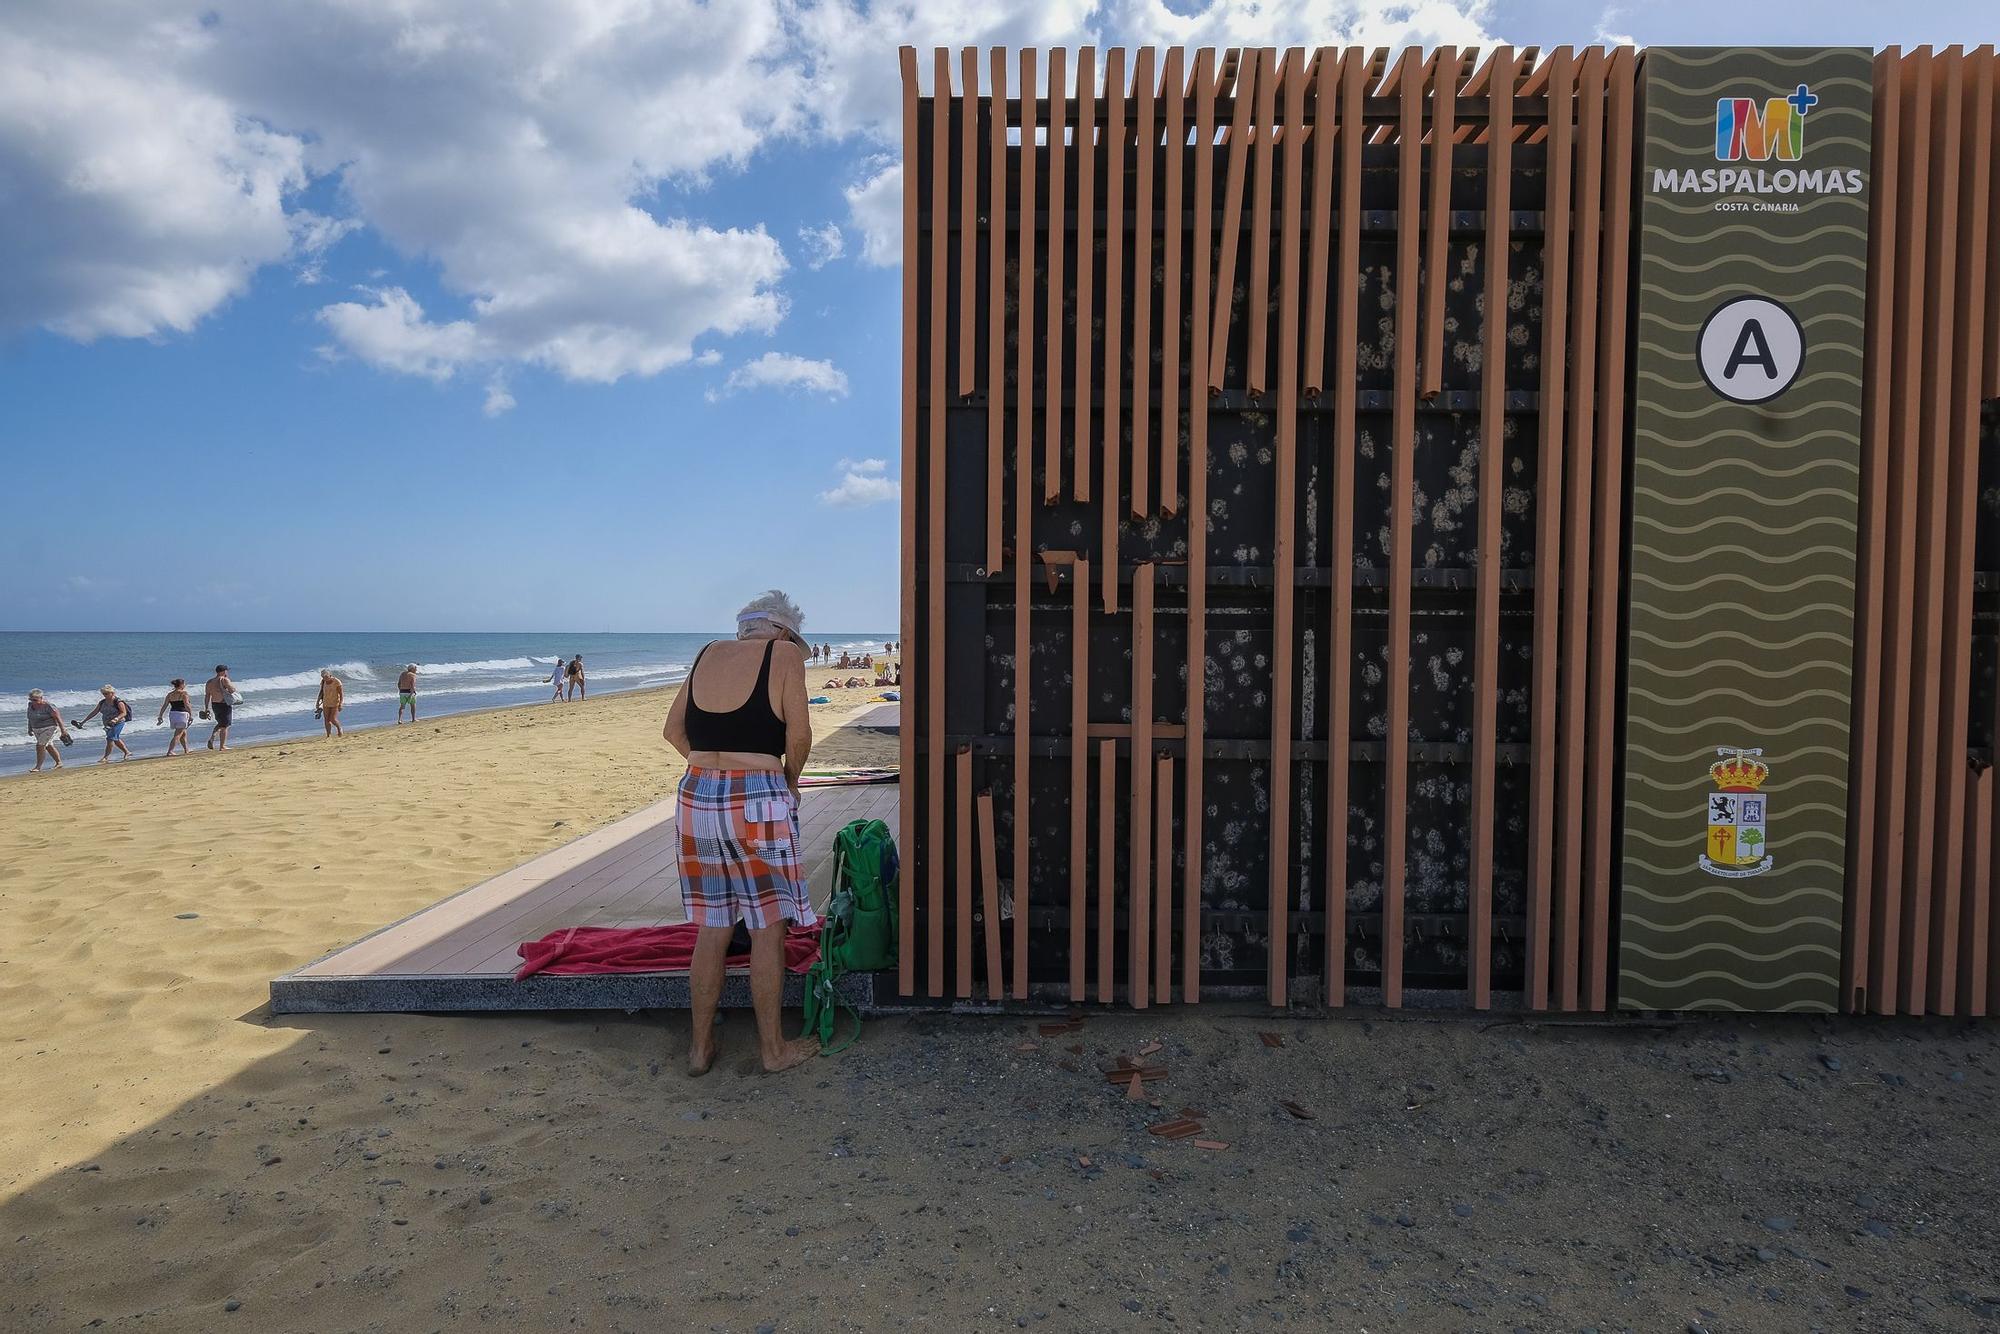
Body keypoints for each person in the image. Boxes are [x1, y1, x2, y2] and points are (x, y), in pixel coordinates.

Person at [663, 589, 819, 1076]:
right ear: (781, 630)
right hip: (757, 796)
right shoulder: (784, 655)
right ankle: (773, 1051)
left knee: (713, 925)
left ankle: (700, 1049)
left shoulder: (708, 652)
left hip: (696, 795)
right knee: (767, 926)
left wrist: (714, 767)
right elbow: (798, 735)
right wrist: (786, 781)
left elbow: (673, 732)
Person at [75, 685, 134, 764]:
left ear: (112, 693)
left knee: (110, 738)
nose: (105, 695)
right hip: (107, 723)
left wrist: (116, 719)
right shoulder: (102, 702)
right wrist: (83, 721)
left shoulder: (118, 702)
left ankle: (105, 757)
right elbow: (94, 712)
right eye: (103, 693)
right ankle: (127, 752)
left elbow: (124, 713)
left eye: (106, 693)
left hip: (118, 722)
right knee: (115, 739)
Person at [26, 689, 71, 772]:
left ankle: (38, 767)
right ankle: (59, 762)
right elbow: (30, 717)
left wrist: (63, 730)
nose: (33, 701)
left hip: (49, 727)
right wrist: (29, 728)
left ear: (41, 698)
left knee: (40, 745)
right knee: (48, 746)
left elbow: (58, 718)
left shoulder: (48, 706)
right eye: (31, 699)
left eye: (35, 700)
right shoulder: (30, 705)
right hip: (36, 728)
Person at [157, 679, 195, 756]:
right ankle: (170, 751)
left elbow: (165, 705)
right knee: (178, 734)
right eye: (184, 684)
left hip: (173, 714)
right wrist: (191, 715)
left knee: (183, 733)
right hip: (182, 715)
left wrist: (160, 715)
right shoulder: (184, 693)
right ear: (181, 685)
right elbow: (187, 705)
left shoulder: (170, 694)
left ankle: (186, 749)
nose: (184, 686)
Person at [204, 665, 237, 749]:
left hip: (214, 704)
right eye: (226, 671)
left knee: (220, 723)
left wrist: (206, 707)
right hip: (224, 704)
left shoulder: (209, 682)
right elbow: (232, 690)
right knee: (225, 725)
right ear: (224, 671)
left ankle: (212, 737)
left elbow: (207, 695)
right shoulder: (224, 679)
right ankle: (222, 746)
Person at [316, 669, 345, 737]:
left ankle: (339, 728)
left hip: (335, 702)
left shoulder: (337, 681)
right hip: (326, 702)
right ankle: (328, 735)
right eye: (323, 677)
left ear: (330, 675)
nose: (325, 678)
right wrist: (317, 702)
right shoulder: (323, 682)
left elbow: (341, 694)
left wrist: (341, 704)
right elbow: (321, 692)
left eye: (326, 677)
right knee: (326, 720)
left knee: (333, 719)